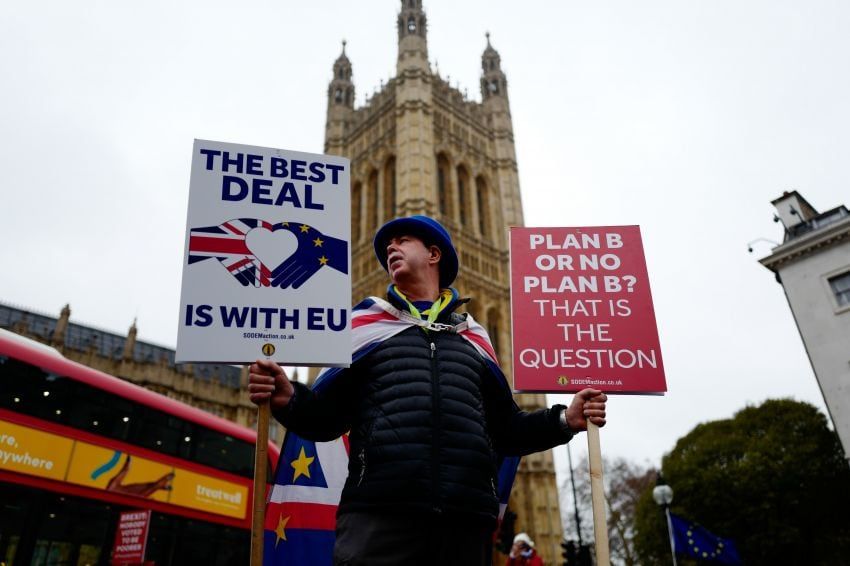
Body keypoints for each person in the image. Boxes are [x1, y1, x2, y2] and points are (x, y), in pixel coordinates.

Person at [249, 215, 607, 566]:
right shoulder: (363, 327)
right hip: (380, 518)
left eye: (403, 240)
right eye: (388, 244)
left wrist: (564, 419)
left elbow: (506, 432)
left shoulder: (474, 339)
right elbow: (324, 420)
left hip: (464, 524)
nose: (391, 246)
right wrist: (287, 398)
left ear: (434, 255)